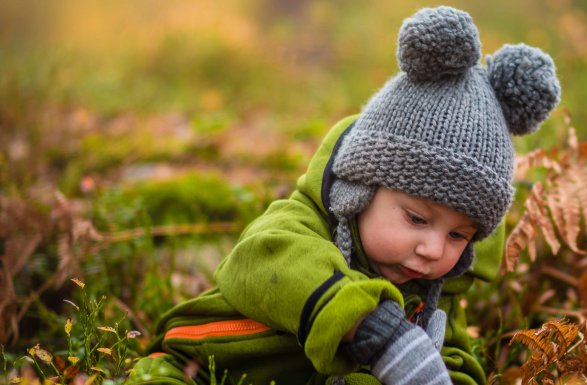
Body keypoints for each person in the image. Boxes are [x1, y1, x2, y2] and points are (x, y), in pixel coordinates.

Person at [130, 5, 559, 385]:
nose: (432, 249)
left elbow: (455, 364)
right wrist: (370, 327)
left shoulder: (433, 295)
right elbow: (260, 261)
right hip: (197, 365)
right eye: (417, 219)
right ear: (360, 190)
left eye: (458, 236)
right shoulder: (298, 226)